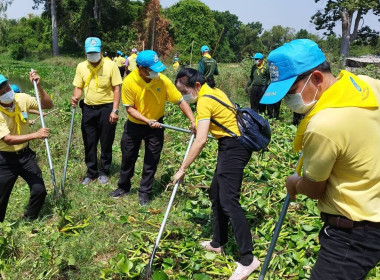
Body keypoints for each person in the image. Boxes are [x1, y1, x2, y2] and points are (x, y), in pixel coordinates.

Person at [260, 39, 380, 279]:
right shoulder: (365, 85)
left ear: (316, 78)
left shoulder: (324, 124)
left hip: (353, 229)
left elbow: (315, 189)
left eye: (291, 92)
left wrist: (294, 183)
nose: (287, 103)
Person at [173, 68, 260, 280]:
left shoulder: (204, 100)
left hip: (235, 147)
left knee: (229, 201)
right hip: (229, 144)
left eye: (184, 91)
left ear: (196, 86)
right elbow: (213, 120)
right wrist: (200, 123)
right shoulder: (214, 91)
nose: (184, 96)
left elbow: (201, 140)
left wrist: (182, 169)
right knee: (215, 193)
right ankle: (217, 242)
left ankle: (248, 259)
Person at [109, 50, 195, 205]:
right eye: (153, 69)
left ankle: (145, 192)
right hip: (135, 125)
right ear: (141, 68)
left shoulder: (162, 80)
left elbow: (181, 101)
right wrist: (147, 120)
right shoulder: (129, 82)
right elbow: (130, 109)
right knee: (128, 157)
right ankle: (123, 187)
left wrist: (193, 120)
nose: (157, 72)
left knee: (151, 160)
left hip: (156, 126)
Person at [0, 70, 53, 222]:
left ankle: (29, 219)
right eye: (2, 92)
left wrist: (39, 86)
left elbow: (47, 105)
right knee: (1, 197)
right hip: (5, 159)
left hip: (25, 155)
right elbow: (8, 139)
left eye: (7, 88)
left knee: (39, 190)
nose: (7, 92)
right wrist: (36, 135)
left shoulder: (21, 98)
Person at [71, 37, 122, 186]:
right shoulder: (81, 66)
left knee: (106, 141)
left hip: (107, 109)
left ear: (100, 50)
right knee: (89, 141)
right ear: (85, 53)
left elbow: (117, 88)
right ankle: (91, 172)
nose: (92, 55)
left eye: (95, 52)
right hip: (88, 109)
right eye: (89, 53)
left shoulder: (111, 65)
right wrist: (75, 97)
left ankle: (104, 171)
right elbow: (78, 87)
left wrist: (115, 110)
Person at [245, 53, 280, 119]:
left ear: (261, 60)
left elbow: (270, 77)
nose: (255, 60)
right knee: (253, 102)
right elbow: (251, 77)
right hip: (254, 86)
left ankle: (262, 116)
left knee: (262, 104)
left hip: (263, 87)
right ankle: (254, 116)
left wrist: (269, 86)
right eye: (255, 59)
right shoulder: (254, 67)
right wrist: (247, 86)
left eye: (257, 59)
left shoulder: (266, 67)